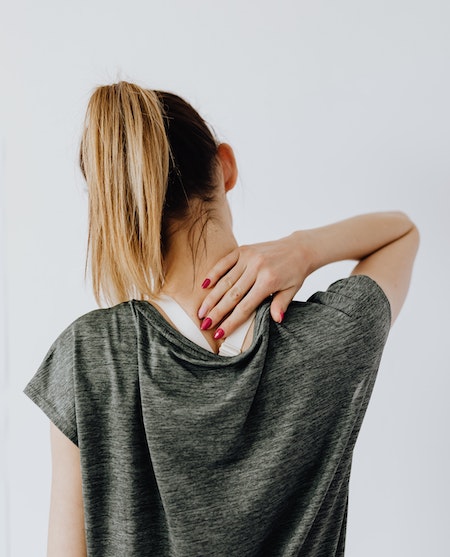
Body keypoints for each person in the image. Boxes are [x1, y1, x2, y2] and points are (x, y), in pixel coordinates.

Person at [24, 81, 419, 557]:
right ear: (225, 166)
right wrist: (304, 248)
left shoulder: (89, 355)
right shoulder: (331, 338)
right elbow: (402, 232)